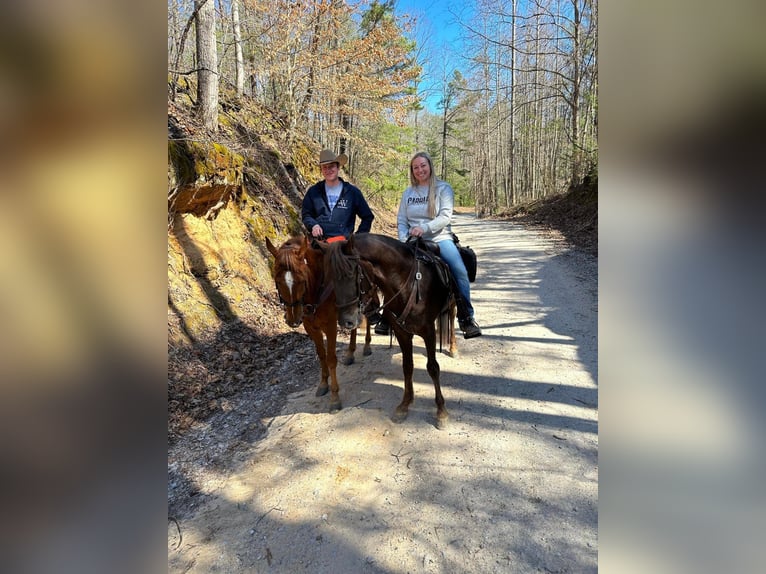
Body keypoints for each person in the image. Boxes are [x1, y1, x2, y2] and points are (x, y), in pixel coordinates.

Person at [377, 151, 481, 339]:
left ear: (430, 166)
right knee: (390, 270)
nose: (420, 170)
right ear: (412, 170)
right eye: (415, 167)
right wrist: (402, 239)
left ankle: (467, 318)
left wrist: (423, 228)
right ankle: (387, 316)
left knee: (459, 271)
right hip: (411, 241)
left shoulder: (443, 188)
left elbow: (445, 217)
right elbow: (401, 219)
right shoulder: (408, 193)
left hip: (440, 239)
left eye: (423, 165)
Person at [301, 149, 374, 240]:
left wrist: (357, 238)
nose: (328, 170)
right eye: (325, 167)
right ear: (321, 170)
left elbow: (367, 217)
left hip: (343, 245)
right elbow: (306, 214)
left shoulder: (352, 192)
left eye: (331, 166)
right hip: (319, 243)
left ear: (338, 167)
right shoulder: (314, 191)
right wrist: (313, 225)